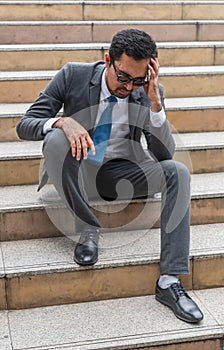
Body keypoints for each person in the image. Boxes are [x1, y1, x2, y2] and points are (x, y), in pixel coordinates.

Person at [16, 28, 204, 323]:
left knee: (177, 171)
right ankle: (88, 228)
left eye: (138, 79)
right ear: (108, 61)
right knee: (54, 140)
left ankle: (169, 281)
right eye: (124, 77)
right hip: (75, 170)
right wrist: (63, 122)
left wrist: (155, 106)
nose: (129, 87)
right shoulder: (73, 75)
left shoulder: (149, 92)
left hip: (119, 175)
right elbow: (24, 124)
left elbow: (164, 155)